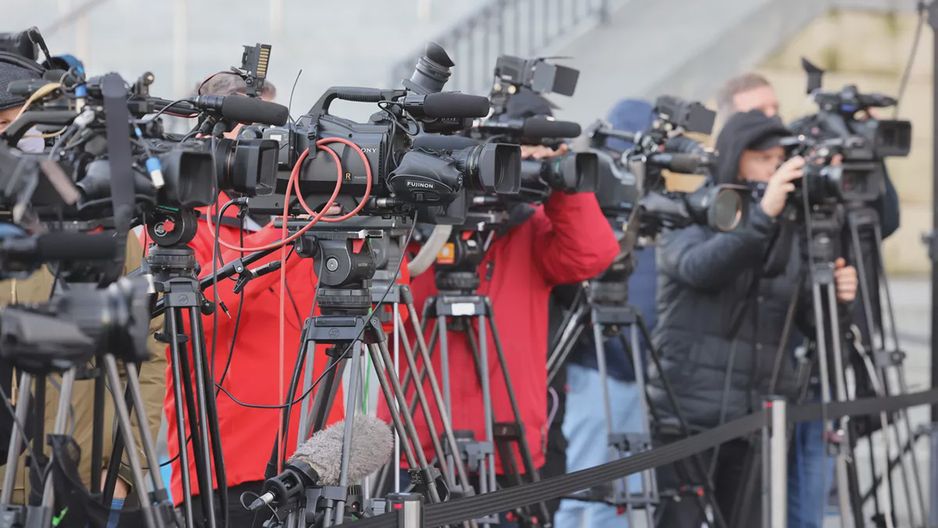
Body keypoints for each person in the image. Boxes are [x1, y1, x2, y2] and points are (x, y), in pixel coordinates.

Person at [403, 88, 619, 525]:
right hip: (420, 444)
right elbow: (382, 314)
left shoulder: (530, 230)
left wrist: (558, 180)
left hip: (508, 439)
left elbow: (594, 254)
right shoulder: (414, 229)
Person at [647, 110, 859, 527]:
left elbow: (809, 326)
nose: (773, 169)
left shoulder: (786, 227)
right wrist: (762, 216)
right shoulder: (689, 211)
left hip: (756, 418)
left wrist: (837, 299)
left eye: (779, 160)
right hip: (688, 416)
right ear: (734, 160)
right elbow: (701, 269)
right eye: (763, 159)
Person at [158, 72, 349, 526]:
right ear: (214, 139)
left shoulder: (302, 212)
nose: (270, 146)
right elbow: (194, 312)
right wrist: (282, 236)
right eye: (254, 130)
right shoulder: (181, 221)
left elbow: (377, 310)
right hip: (226, 466)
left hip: (317, 459)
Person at [0, 55, 166, 525]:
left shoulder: (101, 226)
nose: (8, 140)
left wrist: (125, 471)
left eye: (13, 125)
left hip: (84, 480)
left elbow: (150, 355)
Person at [552, 98, 657, 528]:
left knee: (624, 496)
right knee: (583, 491)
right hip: (594, 367)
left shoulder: (649, 209)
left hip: (636, 368)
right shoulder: (588, 200)